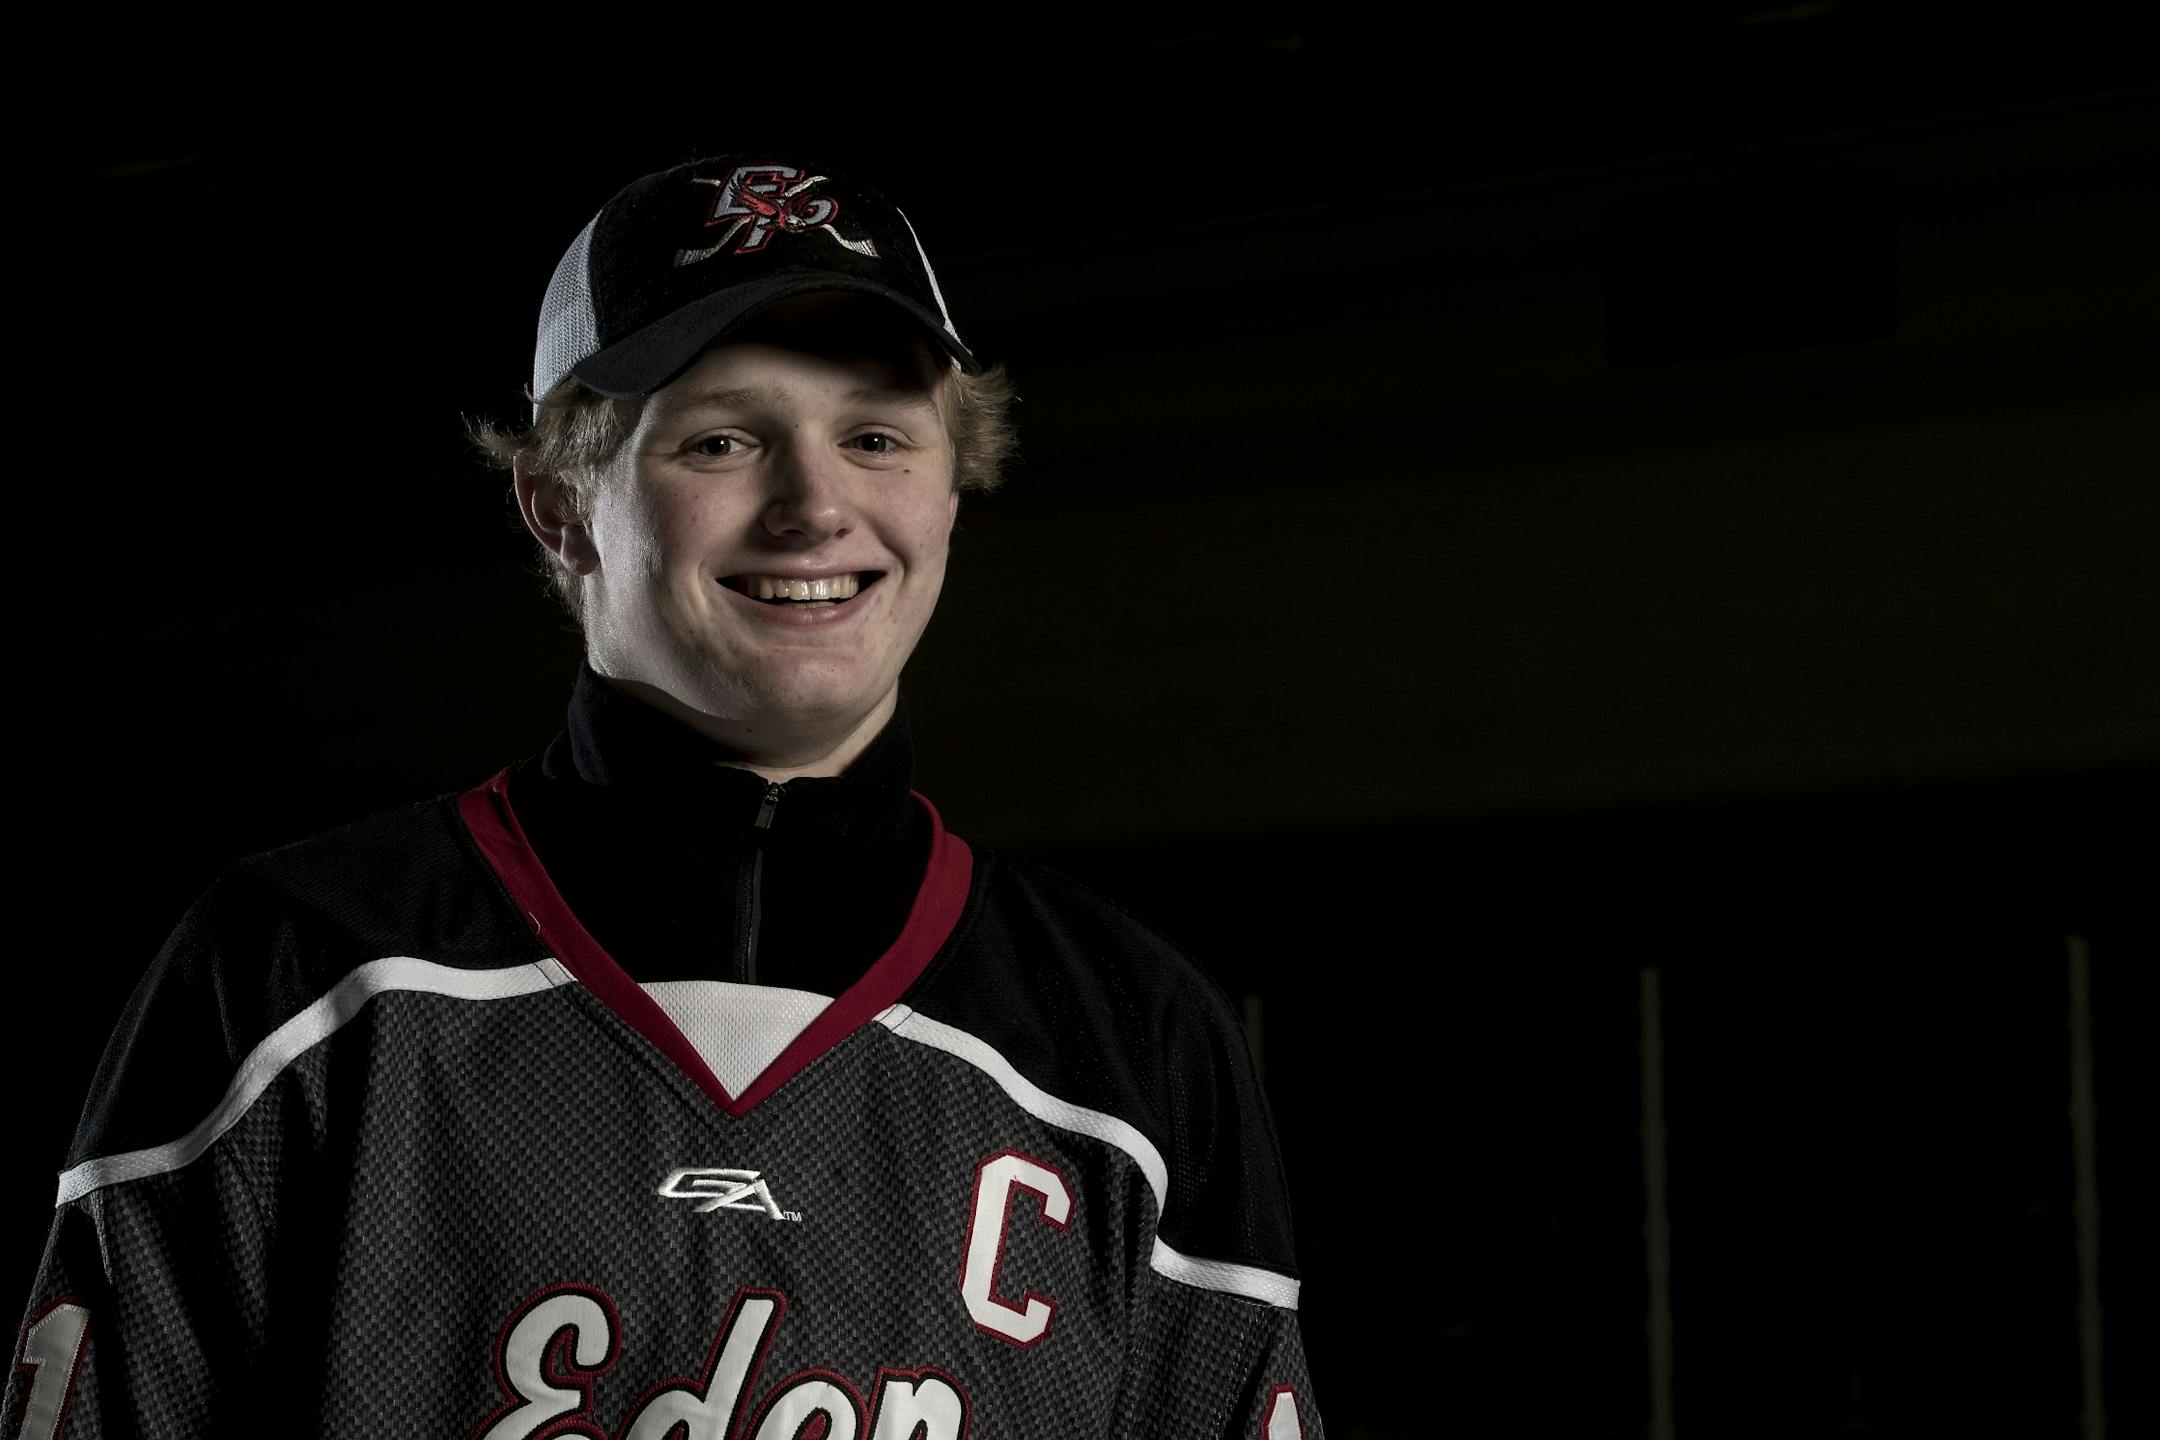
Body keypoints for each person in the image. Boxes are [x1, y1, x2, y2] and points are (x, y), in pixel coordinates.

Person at [7, 155, 1319, 1439]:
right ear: (561, 506)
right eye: (721, 439)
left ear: (953, 489)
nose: (815, 507)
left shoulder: (1132, 1039)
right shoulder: (299, 970)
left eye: (876, 437)